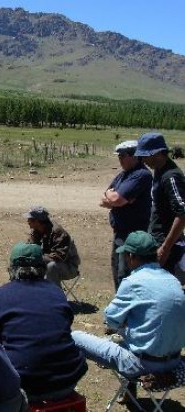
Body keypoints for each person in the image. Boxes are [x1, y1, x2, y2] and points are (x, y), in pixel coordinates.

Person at [72, 231, 185, 402]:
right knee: (129, 336)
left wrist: (123, 322)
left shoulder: (133, 282)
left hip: (141, 365)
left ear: (131, 256)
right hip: (175, 362)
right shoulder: (173, 280)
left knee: (75, 337)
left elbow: (111, 319)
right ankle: (129, 393)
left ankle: (66, 392)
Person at [0, 242, 87, 402]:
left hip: (24, 385)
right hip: (68, 379)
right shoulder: (56, 292)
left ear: (11, 269)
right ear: (43, 269)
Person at [100, 140, 152, 290]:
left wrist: (115, 198)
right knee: (116, 270)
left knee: (125, 274)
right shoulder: (123, 175)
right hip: (120, 233)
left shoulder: (141, 175)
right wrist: (115, 198)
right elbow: (105, 198)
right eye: (119, 156)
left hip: (133, 234)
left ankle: (127, 306)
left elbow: (115, 199)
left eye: (123, 156)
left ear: (135, 156)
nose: (120, 159)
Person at [135, 132, 185, 281]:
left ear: (157, 153)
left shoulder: (170, 176)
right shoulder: (159, 170)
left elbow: (182, 214)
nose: (142, 160)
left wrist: (165, 247)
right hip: (158, 240)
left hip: (166, 245)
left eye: (145, 155)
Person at [24, 206, 80, 288]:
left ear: (38, 221)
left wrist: (37, 258)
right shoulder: (36, 230)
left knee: (52, 266)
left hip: (68, 266)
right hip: (45, 263)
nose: (27, 221)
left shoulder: (58, 232)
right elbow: (30, 248)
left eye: (30, 219)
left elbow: (59, 257)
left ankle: (55, 297)